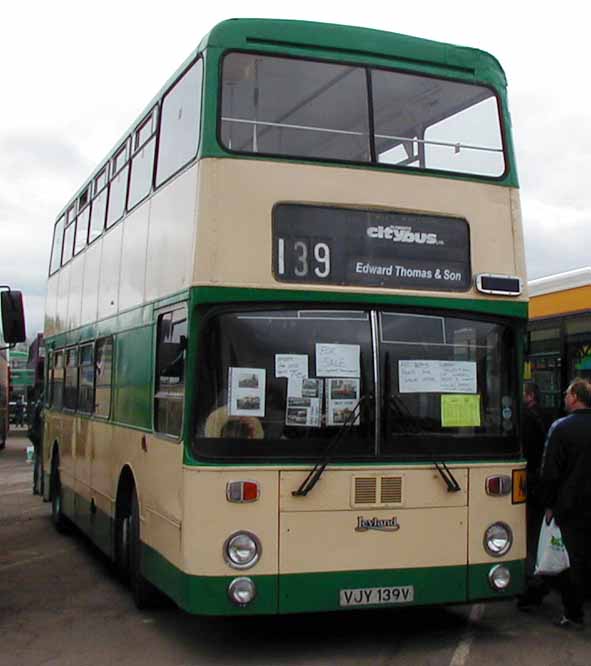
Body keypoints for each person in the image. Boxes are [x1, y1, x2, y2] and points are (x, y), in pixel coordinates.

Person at [538, 378, 591, 630]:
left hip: (569, 505)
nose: (564, 397)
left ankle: (573, 612)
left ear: (575, 397)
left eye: (567, 393)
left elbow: (550, 472)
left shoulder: (561, 428)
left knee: (571, 559)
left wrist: (548, 504)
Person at [517, 381, 550, 608]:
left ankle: (532, 581)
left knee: (528, 533)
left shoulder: (526, 418)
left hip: (530, 481)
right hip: (542, 483)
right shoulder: (549, 416)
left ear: (529, 395)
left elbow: (526, 449)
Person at [28, 393, 44, 495]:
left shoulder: (38, 404)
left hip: (35, 436)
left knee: (37, 461)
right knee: (39, 461)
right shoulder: (42, 405)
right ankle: (38, 486)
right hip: (39, 437)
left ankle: (36, 486)